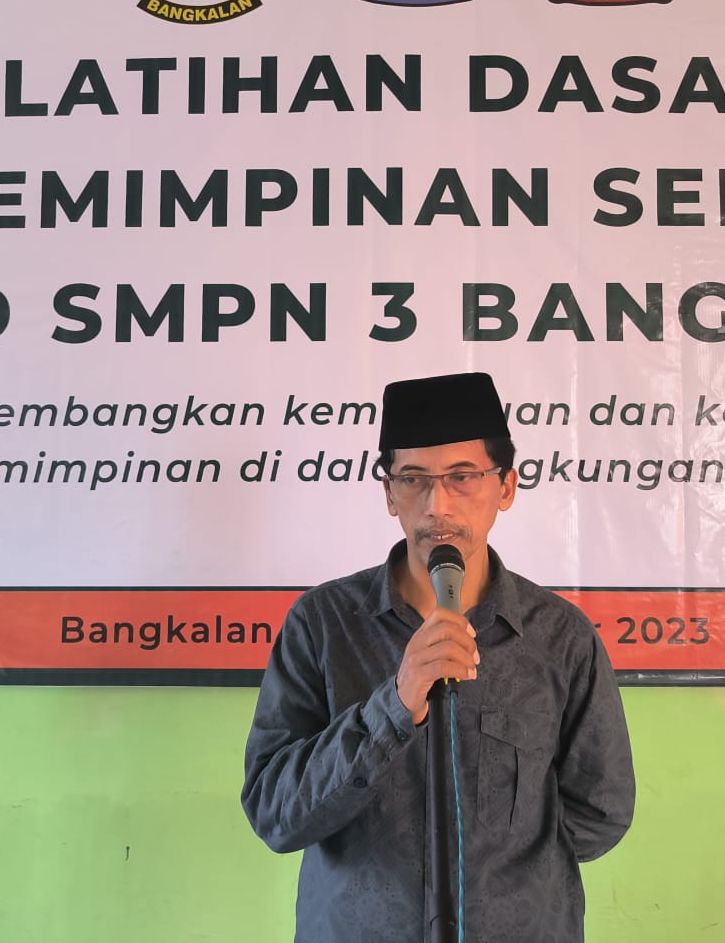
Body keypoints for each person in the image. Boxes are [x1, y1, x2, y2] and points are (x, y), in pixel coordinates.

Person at [242, 371, 635, 942]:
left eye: (462, 477)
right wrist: (393, 706)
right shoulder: (323, 625)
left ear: (506, 487)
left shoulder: (558, 637)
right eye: (413, 480)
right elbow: (276, 812)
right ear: (388, 493)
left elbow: (601, 808)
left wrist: (506, 886)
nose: (437, 505)